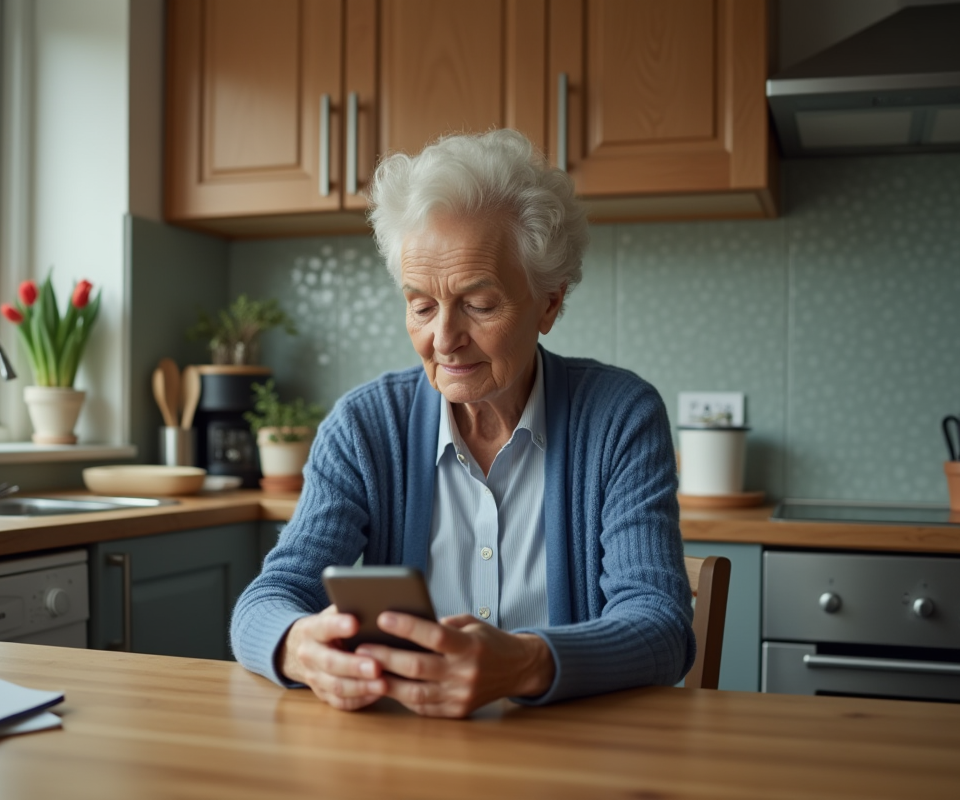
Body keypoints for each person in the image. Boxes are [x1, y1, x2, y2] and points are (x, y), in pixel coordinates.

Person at [231, 129, 695, 718]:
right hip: (403, 759)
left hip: (572, 757)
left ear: (549, 301)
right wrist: (299, 648)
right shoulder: (365, 427)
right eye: (421, 305)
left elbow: (660, 629)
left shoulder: (620, 417)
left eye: (478, 304)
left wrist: (526, 662)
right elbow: (267, 600)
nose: (444, 339)